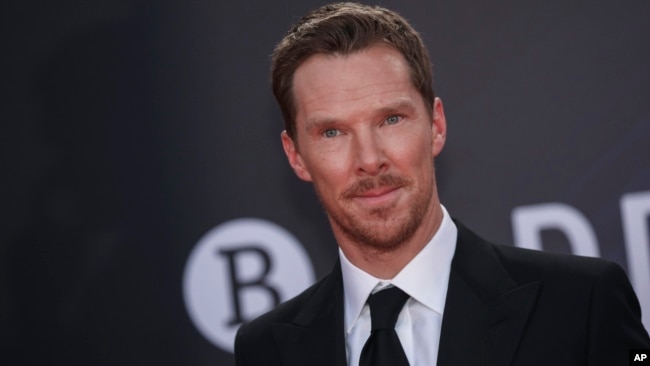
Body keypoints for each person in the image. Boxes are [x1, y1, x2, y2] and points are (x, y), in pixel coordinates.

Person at [234, 3, 650, 365]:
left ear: (436, 125)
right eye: (332, 133)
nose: (369, 159)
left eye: (391, 119)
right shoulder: (267, 349)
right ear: (295, 155)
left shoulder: (581, 305)